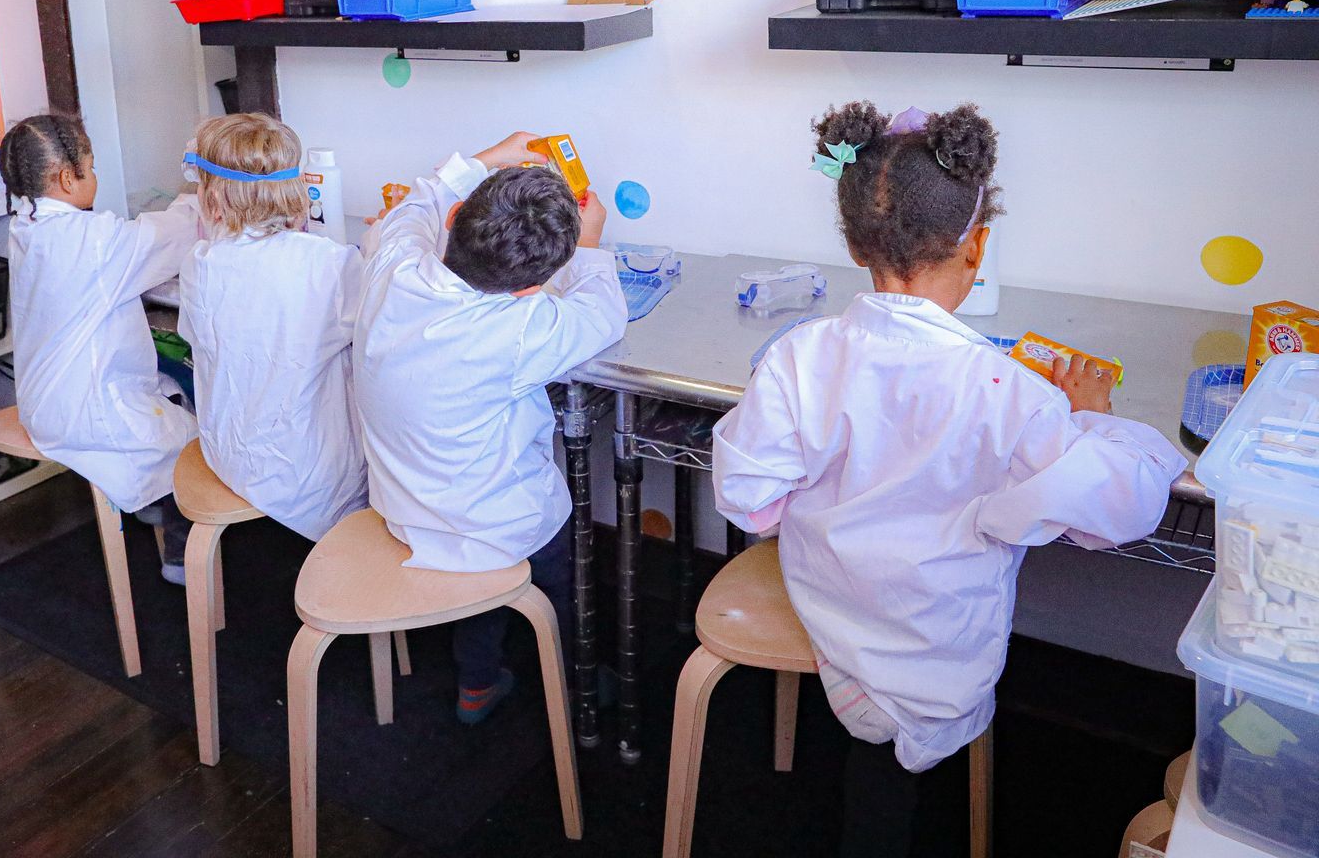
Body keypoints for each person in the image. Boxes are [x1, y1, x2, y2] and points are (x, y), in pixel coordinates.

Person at [712, 102, 1187, 858]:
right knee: (890, 784)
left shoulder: (800, 355)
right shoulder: (1011, 392)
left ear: (852, 241)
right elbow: (1123, 507)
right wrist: (1092, 416)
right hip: (934, 639)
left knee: (873, 771)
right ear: (977, 248)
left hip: (829, 606)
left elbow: (749, 497)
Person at [353, 132, 627, 723]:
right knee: (554, 552)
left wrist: (488, 157)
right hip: (496, 525)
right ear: (533, 288)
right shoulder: (524, 329)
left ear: (456, 219)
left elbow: (416, 203)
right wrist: (593, 243)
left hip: (401, 507)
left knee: (478, 554)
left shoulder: (392, 265)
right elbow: (604, 314)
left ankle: (477, 682)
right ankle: (578, 670)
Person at [1, 114, 200, 581]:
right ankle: (178, 551)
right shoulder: (87, 242)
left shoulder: (27, 228)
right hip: (81, 410)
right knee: (191, 434)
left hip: (43, 399)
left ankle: (151, 498)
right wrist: (199, 192)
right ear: (67, 178)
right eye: (91, 170)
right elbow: (163, 240)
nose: (96, 178)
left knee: (169, 390)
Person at [177, 113, 367, 541]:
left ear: (212, 200)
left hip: (228, 456)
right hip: (310, 479)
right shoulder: (329, 265)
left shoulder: (200, 264)